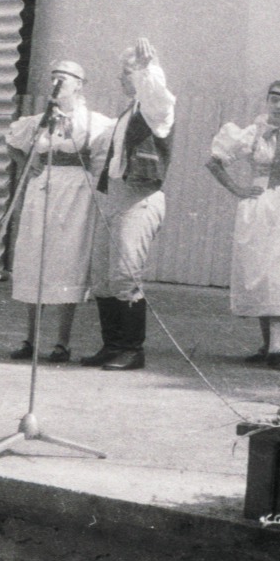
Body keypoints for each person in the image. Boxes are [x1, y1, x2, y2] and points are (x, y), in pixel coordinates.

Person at [5, 61, 114, 364]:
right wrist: (28, 165)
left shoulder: (94, 121)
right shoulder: (39, 120)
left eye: (63, 79)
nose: (56, 83)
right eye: (53, 78)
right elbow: (12, 143)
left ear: (79, 84)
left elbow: (108, 156)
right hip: (43, 189)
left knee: (67, 260)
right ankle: (30, 339)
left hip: (77, 193)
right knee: (34, 257)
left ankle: (61, 343)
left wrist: (93, 175)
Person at [208, 80, 280, 368]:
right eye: (274, 100)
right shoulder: (251, 134)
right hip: (258, 205)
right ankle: (268, 345)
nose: (279, 106)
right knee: (261, 270)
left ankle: (278, 345)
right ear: (267, 102)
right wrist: (238, 189)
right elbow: (214, 162)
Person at [85, 38, 176, 371]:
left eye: (126, 72)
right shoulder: (128, 113)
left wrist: (147, 68)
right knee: (102, 278)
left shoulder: (155, 110)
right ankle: (112, 345)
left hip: (139, 199)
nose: (120, 78)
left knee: (126, 275)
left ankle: (132, 349)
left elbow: (157, 94)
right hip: (115, 198)